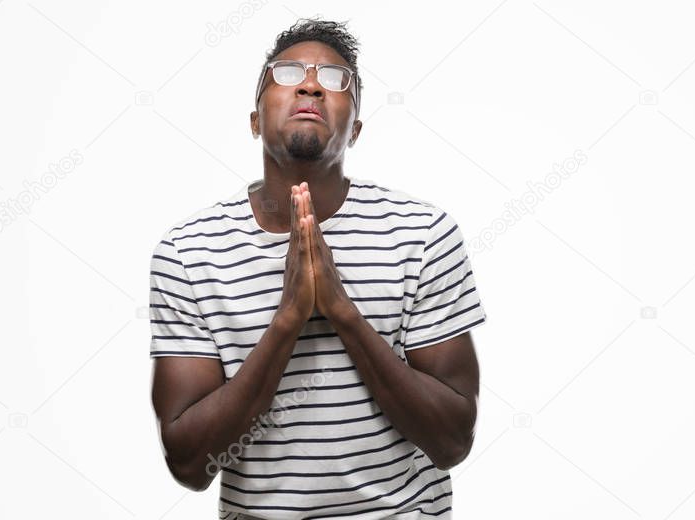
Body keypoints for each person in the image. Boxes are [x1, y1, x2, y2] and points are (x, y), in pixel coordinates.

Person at [148, 18, 487, 519]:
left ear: (356, 130)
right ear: (255, 120)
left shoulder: (423, 234)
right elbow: (190, 465)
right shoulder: (188, 251)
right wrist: (288, 319)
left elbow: (452, 442)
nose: (309, 84)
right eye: (287, 74)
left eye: (334, 79)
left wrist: (341, 311)